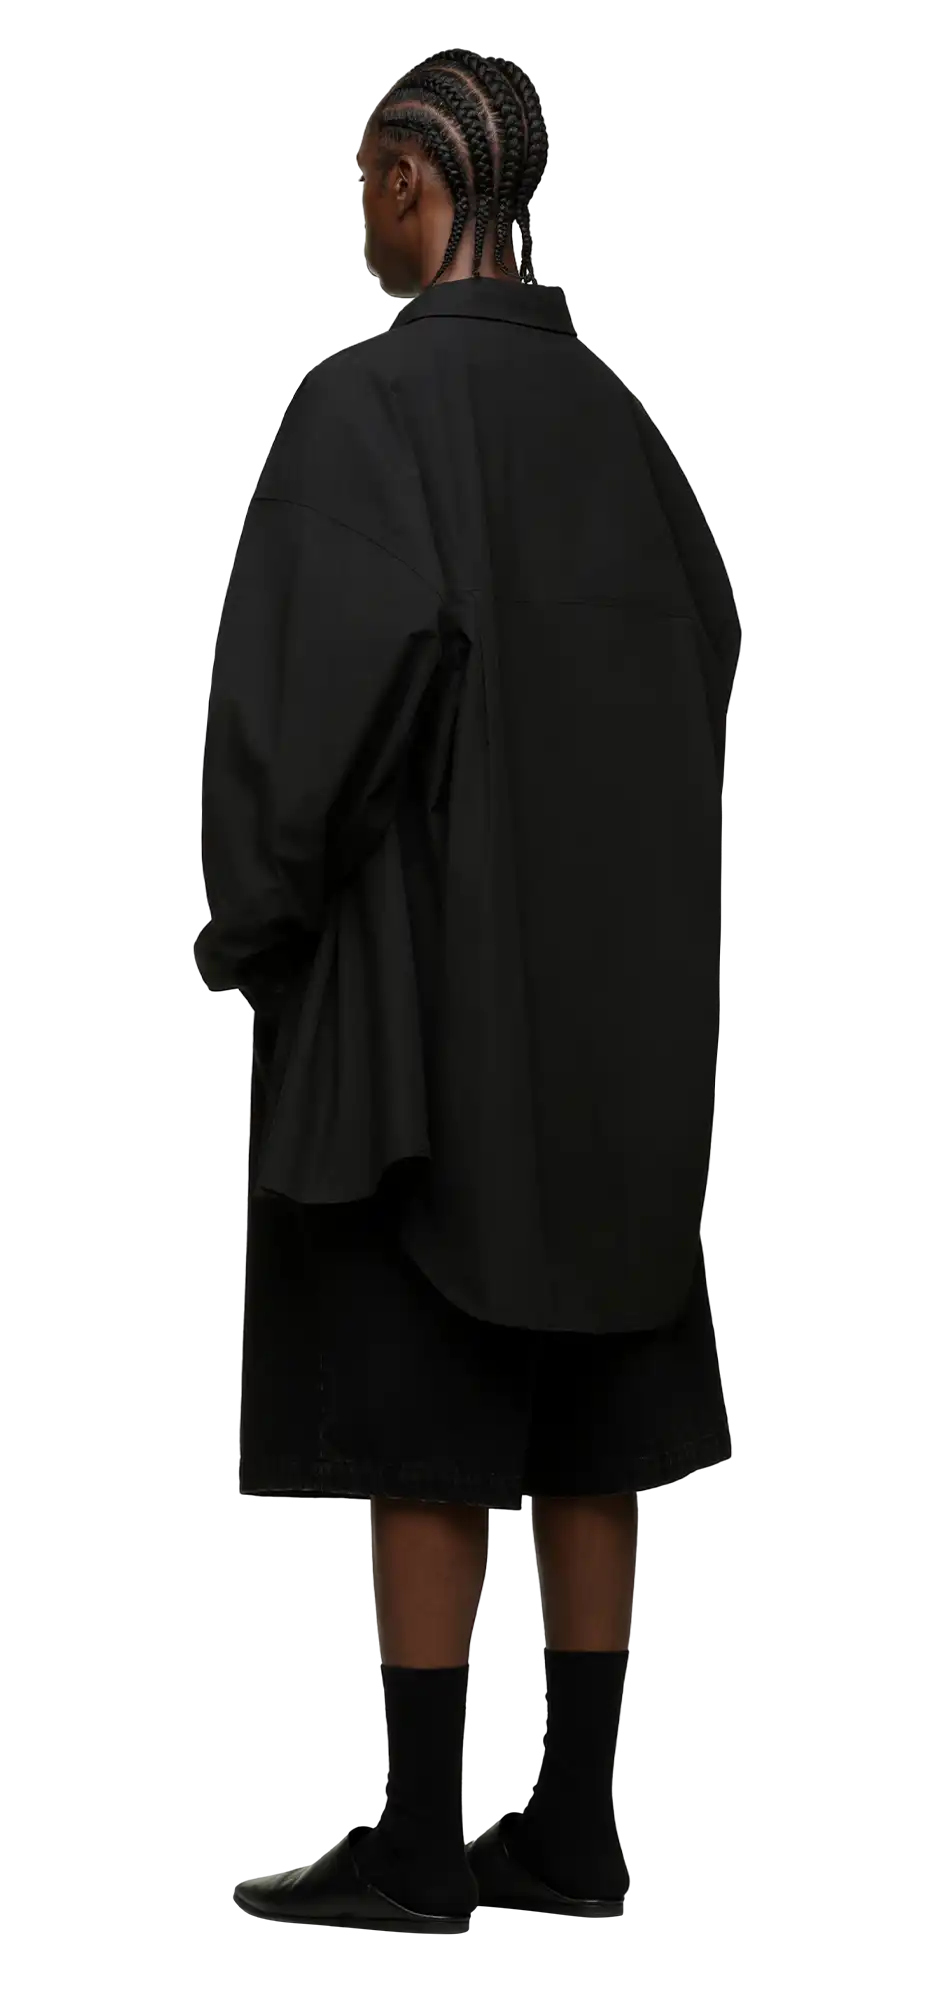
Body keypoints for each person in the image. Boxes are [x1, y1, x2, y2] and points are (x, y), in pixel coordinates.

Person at [195, 48, 741, 1931]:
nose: (360, 211)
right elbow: (711, 659)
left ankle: (421, 1847)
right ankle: (576, 1828)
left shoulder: (366, 407)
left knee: (421, 1408)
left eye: (366, 175)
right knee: (599, 1415)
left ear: (413, 180)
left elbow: (303, 713)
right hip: (627, 1020)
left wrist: (252, 921)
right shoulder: (628, 427)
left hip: (420, 1010)